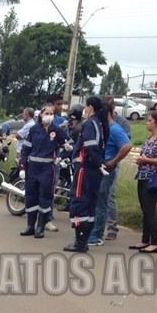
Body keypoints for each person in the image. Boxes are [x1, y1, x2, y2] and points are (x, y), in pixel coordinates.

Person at [19, 105, 71, 238]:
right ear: (40, 114)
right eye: (46, 113)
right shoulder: (34, 129)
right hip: (33, 168)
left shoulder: (57, 130)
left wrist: (61, 156)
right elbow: (26, 148)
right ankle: (30, 225)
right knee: (31, 196)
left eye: (51, 113)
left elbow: (69, 145)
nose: (49, 115)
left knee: (45, 197)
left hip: (48, 168)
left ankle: (40, 227)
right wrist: (23, 164)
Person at [65, 96, 107, 252]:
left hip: (85, 168)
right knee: (89, 205)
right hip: (94, 170)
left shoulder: (89, 124)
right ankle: (83, 241)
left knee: (79, 203)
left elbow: (89, 146)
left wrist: (97, 162)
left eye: (86, 106)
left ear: (90, 107)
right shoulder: (100, 123)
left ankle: (79, 242)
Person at [89, 97, 132, 247]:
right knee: (95, 201)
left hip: (107, 170)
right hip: (98, 169)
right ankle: (93, 230)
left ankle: (97, 234)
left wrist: (113, 161)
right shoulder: (103, 128)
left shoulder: (114, 128)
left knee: (102, 201)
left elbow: (126, 146)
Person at [132, 110, 157, 252]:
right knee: (144, 209)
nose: (147, 123)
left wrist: (146, 160)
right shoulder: (149, 139)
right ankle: (145, 239)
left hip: (153, 178)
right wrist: (141, 160)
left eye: (150, 120)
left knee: (150, 209)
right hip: (142, 175)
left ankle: (154, 242)